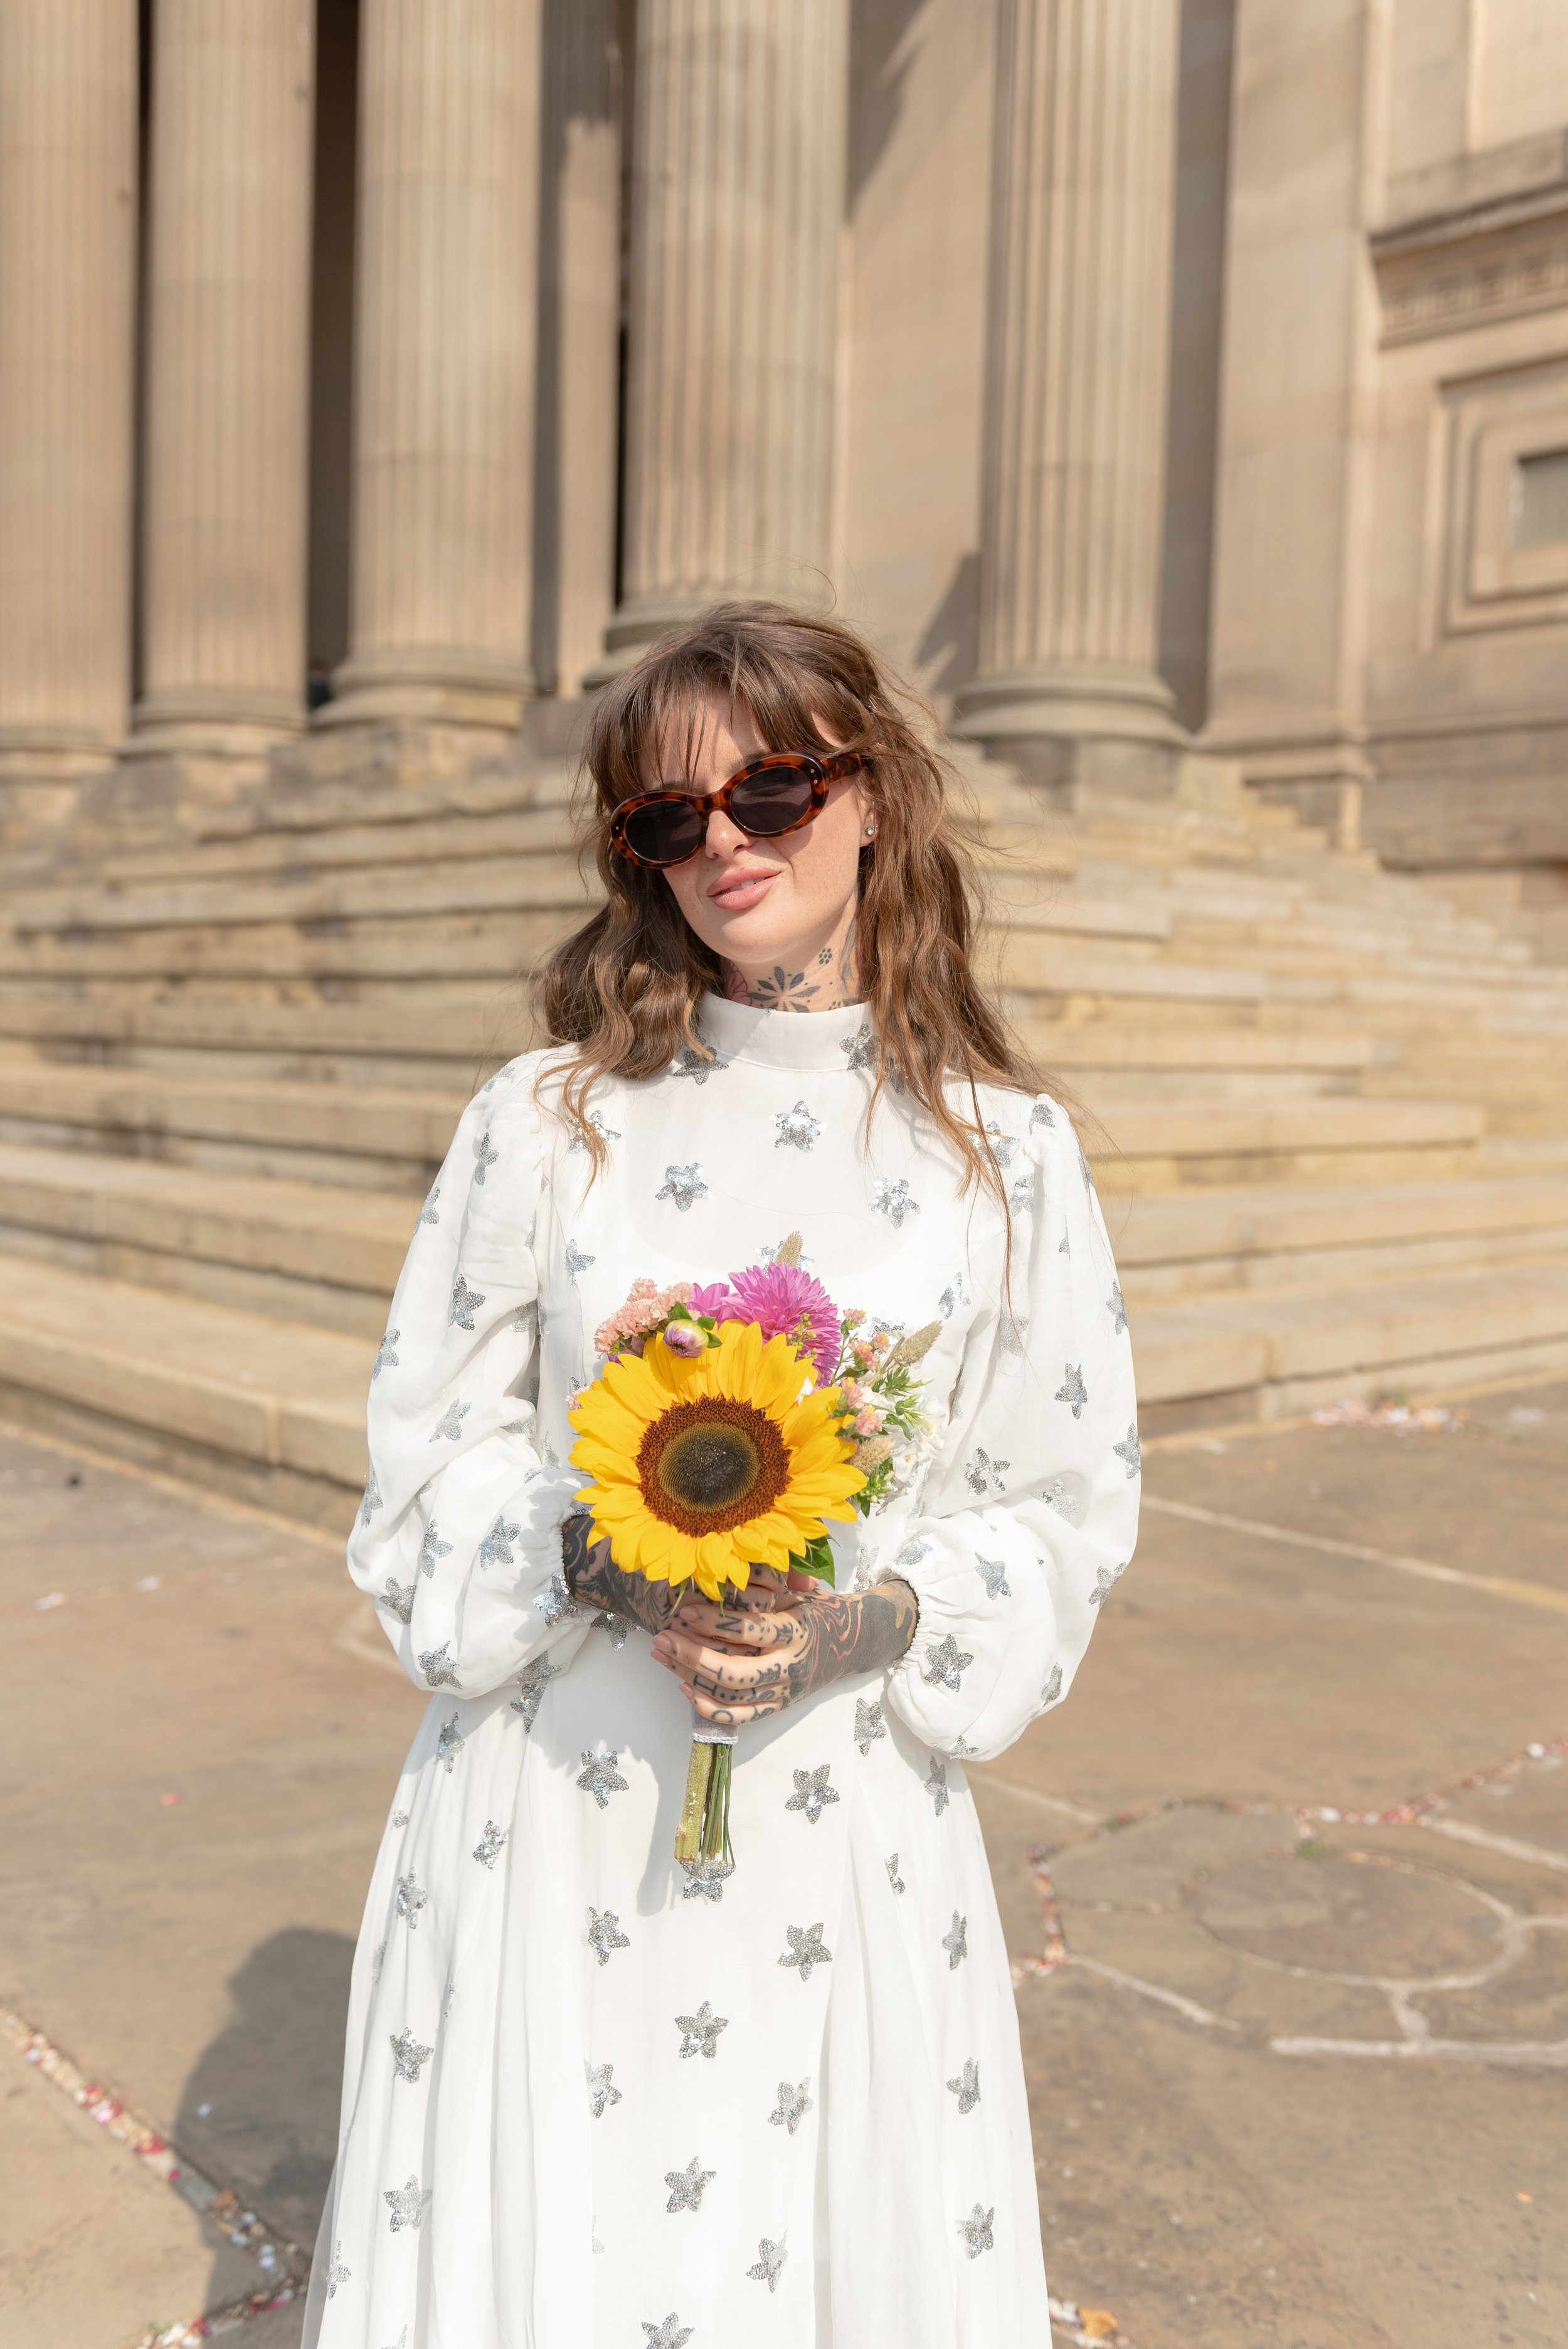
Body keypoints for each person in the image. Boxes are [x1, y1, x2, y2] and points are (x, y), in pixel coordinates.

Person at [303, 603, 1139, 2349]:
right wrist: (605, 1560)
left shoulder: (1013, 1161)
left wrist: (865, 1623)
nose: (721, 846)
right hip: (558, 1798)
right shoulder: (544, 1121)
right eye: (665, 820)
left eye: (764, 792)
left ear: (871, 795)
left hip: (843, 1823)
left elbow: (1055, 1505)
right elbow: (423, 1465)